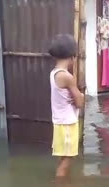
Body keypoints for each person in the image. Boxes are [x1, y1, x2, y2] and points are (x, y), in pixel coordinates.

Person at [48, 34, 84, 178]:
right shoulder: (68, 77)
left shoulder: (54, 73)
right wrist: (82, 96)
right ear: (72, 56)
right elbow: (80, 102)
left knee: (62, 157)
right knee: (67, 159)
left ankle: (61, 181)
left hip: (59, 122)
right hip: (68, 123)